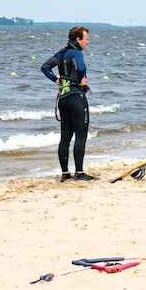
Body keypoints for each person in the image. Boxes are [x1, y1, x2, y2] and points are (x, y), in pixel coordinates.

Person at [40, 26, 96, 182]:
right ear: (78, 39)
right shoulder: (76, 53)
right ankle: (79, 172)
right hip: (77, 98)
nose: (87, 42)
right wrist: (79, 80)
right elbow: (81, 68)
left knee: (65, 137)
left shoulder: (62, 53)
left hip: (63, 100)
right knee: (80, 136)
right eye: (86, 39)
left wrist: (57, 80)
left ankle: (65, 173)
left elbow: (45, 67)